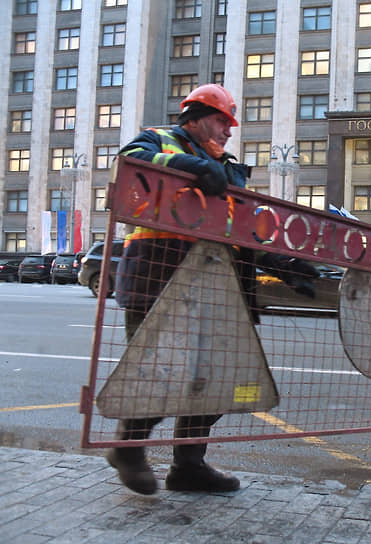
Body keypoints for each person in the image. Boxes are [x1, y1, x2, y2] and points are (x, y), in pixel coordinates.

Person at [107, 84, 316, 495]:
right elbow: (130, 161)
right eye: (222, 121)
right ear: (196, 115)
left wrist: (285, 263)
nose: (228, 131)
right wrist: (187, 164)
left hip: (216, 288)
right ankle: (127, 449)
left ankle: (188, 466)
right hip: (158, 277)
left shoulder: (229, 169)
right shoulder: (158, 139)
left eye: (230, 125)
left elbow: (243, 230)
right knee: (161, 373)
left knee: (218, 378)